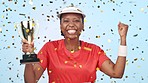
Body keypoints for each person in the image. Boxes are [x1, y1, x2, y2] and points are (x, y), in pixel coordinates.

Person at [22, 6, 128, 83]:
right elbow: (31, 81)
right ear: (60, 26)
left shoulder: (94, 50)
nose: (71, 24)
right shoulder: (49, 48)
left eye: (76, 21)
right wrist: (28, 55)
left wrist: (123, 39)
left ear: (82, 26)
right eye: (66, 21)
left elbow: (116, 73)